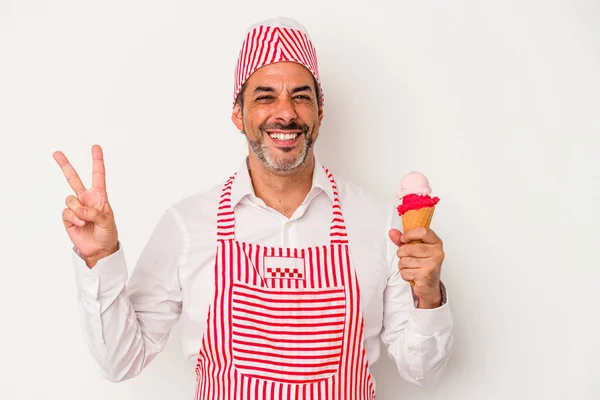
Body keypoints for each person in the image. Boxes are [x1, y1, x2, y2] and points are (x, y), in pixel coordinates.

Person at [53, 17, 453, 399]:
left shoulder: (379, 221)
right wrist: (100, 258)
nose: (286, 112)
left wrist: (429, 294)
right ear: (237, 114)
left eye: (301, 96)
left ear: (319, 114)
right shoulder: (189, 224)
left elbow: (423, 369)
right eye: (265, 96)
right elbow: (121, 360)